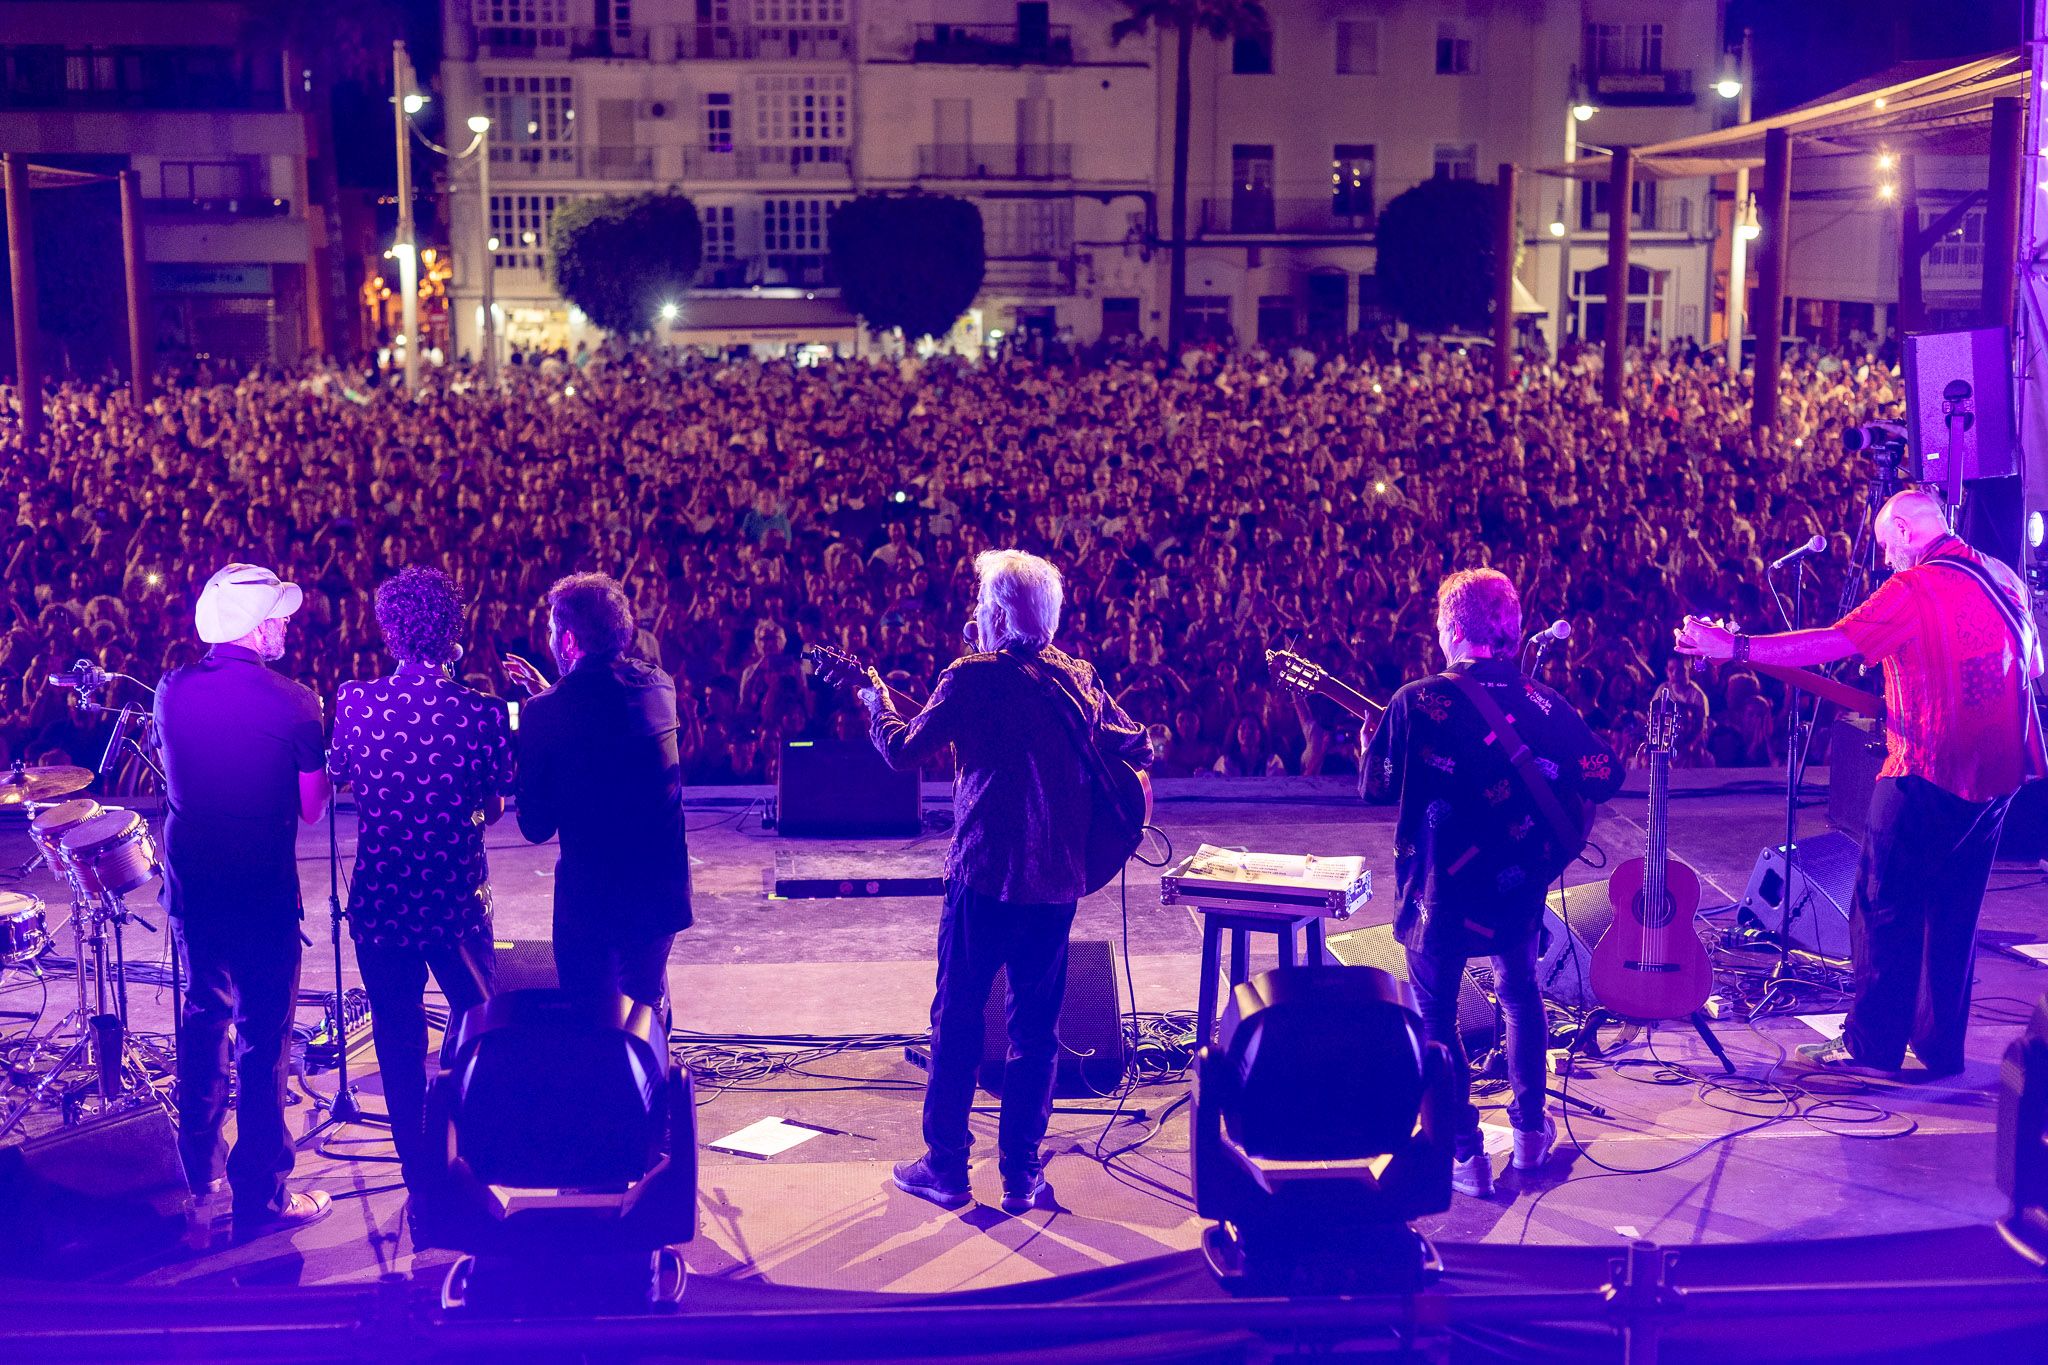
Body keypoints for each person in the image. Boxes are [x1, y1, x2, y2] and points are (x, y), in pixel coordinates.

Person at [1676, 490, 2046, 1077]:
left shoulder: (1915, 588)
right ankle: (1940, 1050)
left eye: (1884, 545)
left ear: (1905, 530)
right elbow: (2034, 667)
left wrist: (1737, 647)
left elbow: (1835, 642)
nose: (1885, 559)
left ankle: (1872, 1049)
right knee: (1952, 911)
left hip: (1929, 767)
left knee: (1881, 905)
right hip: (2001, 775)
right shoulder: (2001, 576)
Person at [861, 550, 1150, 1215]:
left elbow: (903, 750)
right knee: (1036, 1031)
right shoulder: (1079, 679)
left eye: (980, 604)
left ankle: (946, 1167)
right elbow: (1139, 747)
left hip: (983, 876)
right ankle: (1021, 1175)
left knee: (958, 1019)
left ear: (995, 612)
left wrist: (876, 703)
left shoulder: (970, 678)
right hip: (1056, 881)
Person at [1361, 568, 1622, 1198]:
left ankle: (1464, 1155)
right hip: (1515, 886)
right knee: (1520, 995)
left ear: (1450, 628)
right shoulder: (1541, 701)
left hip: (1437, 894)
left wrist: (1371, 747)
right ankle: (1530, 1134)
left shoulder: (1414, 701)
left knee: (1435, 1012)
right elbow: (1605, 772)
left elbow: (1376, 789)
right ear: (1511, 628)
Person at [154, 564, 331, 1238]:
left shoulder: (172, 689)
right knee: (264, 1039)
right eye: (278, 615)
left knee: (203, 1023)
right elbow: (312, 808)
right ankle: (262, 1195)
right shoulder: (295, 700)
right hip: (261, 893)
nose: (285, 624)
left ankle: (198, 1183)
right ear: (256, 626)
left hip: (196, 887)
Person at [328, 567, 514, 1192]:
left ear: (390, 631)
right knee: (478, 1021)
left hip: (381, 899)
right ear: (453, 630)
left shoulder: (355, 701)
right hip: (455, 901)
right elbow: (495, 805)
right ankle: (471, 1147)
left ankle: (418, 1168)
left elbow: (340, 776)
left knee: (396, 1032)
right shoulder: (483, 712)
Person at [507, 572, 691, 1010]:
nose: (550, 639)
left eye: (552, 631)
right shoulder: (659, 685)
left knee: (592, 1017)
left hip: (595, 901)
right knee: (644, 1007)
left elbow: (535, 826)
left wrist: (536, 728)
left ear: (569, 641)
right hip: (661, 891)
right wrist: (549, 695)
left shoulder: (546, 712)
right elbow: (606, 718)